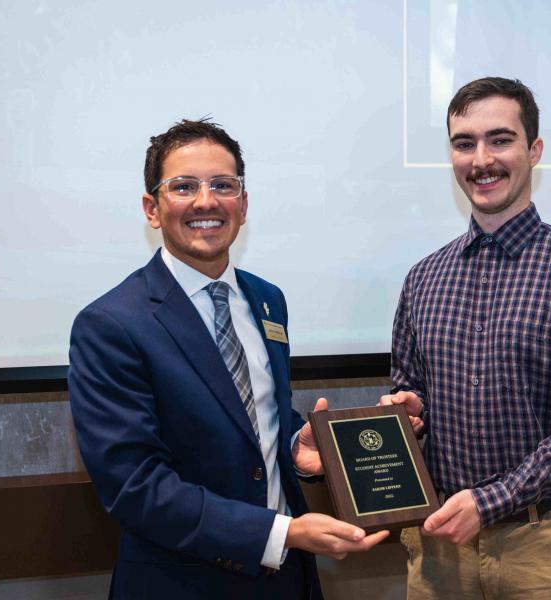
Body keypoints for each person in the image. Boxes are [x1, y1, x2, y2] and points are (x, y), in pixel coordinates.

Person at [69, 118, 388, 600]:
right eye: (183, 187)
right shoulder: (111, 324)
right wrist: (281, 534)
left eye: (223, 185)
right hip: (181, 583)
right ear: (152, 209)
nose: (205, 201)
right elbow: (135, 487)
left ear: (243, 203)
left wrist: (299, 447)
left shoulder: (267, 300)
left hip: (288, 582)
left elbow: (257, 421)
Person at [381, 77, 551, 599]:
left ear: (533, 150)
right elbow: (410, 393)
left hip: (545, 548)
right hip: (439, 548)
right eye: (464, 143)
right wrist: (409, 412)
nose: (480, 159)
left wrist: (489, 501)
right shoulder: (423, 278)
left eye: (500, 139)